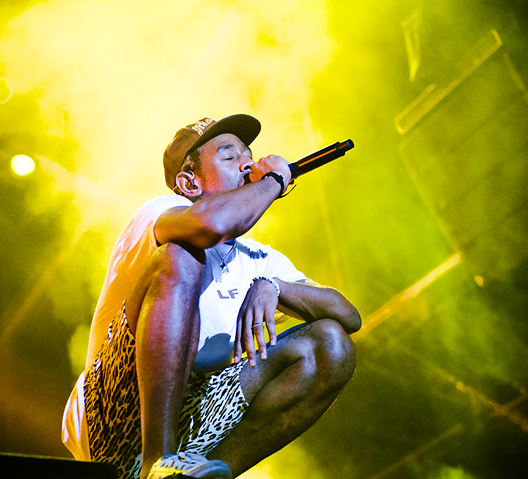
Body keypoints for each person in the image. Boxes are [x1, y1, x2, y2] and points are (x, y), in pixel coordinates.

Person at [61, 114, 361, 479]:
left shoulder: (258, 259)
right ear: (189, 183)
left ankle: (205, 473)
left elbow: (349, 317)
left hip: (197, 417)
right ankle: (159, 460)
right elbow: (210, 225)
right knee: (181, 255)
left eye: (248, 153)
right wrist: (275, 180)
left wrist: (275, 287)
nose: (248, 163)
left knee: (330, 344)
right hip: (114, 413)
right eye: (229, 156)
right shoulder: (159, 213)